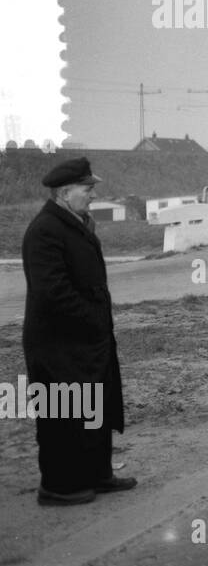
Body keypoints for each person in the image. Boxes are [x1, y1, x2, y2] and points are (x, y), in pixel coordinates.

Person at [22, 158, 134, 505]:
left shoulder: (76, 223)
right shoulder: (45, 231)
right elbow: (51, 292)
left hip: (86, 340)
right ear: (65, 192)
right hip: (58, 343)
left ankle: (97, 474)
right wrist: (90, 317)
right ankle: (58, 486)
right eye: (87, 190)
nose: (92, 195)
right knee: (62, 415)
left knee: (93, 406)